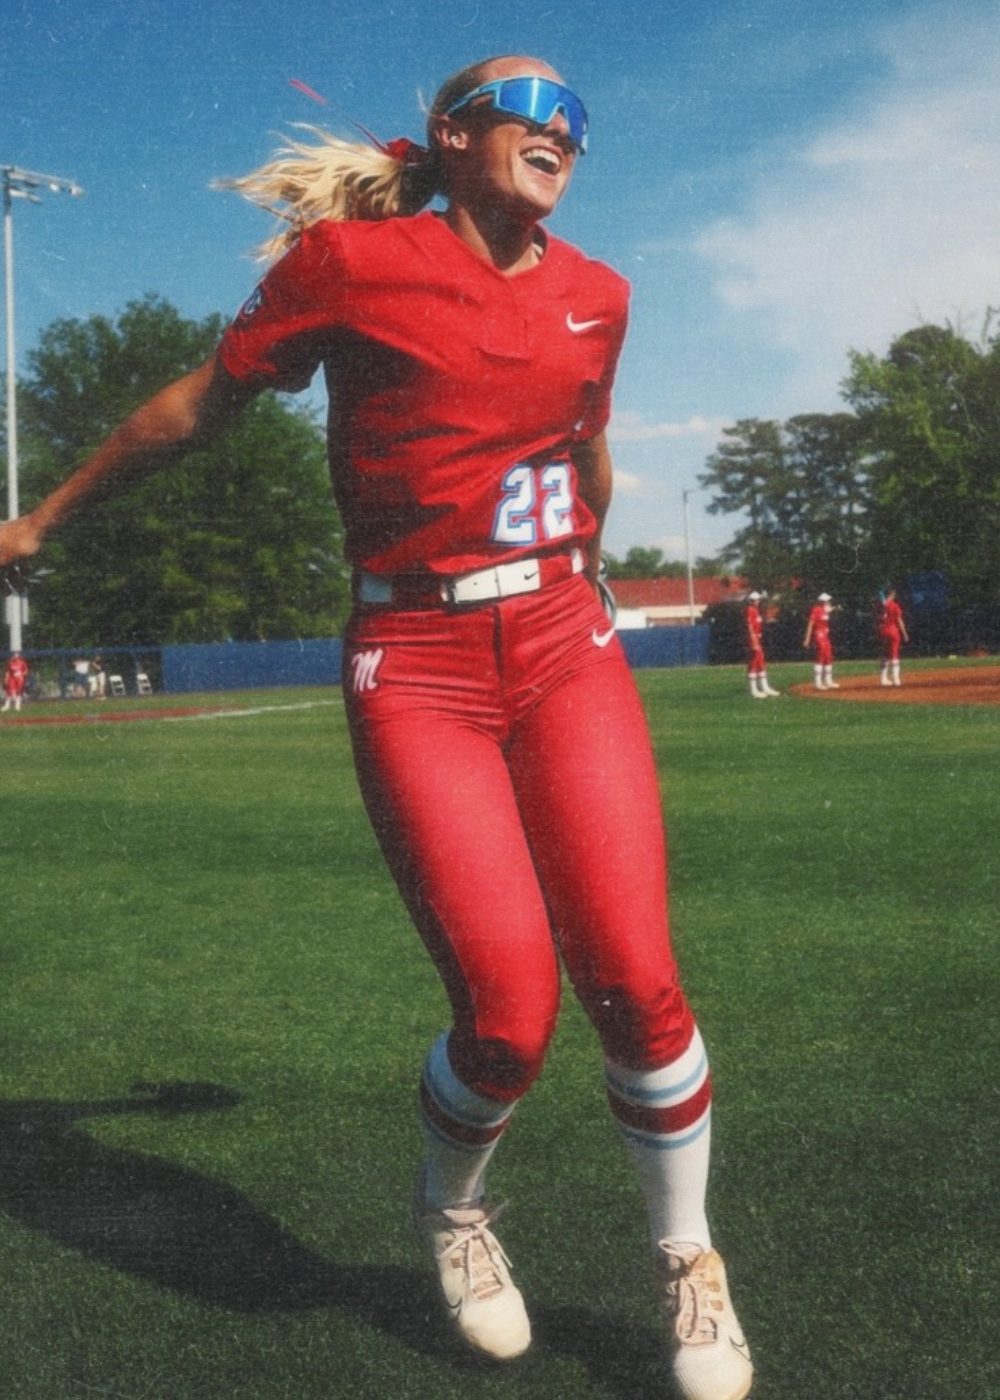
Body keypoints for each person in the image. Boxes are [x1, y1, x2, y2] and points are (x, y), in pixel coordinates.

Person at [0, 56, 752, 1400]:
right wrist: (41, 521)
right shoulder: (350, 265)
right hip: (417, 659)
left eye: (580, 124)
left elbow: (586, 444)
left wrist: (590, 508)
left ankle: (688, 1258)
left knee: (639, 980)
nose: (563, 133)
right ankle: (454, 1212)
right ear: (454, 135)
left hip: (567, 643)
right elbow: (195, 407)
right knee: (509, 1018)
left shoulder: (602, 297)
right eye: (533, 107)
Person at [744, 590, 779, 698]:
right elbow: (750, 627)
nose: (758, 601)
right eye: (757, 600)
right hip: (753, 639)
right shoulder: (750, 610)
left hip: (757, 638)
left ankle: (764, 687)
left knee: (760, 662)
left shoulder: (756, 611)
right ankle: (754, 690)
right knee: (754, 662)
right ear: (752, 601)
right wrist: (754, 641)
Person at [804, 591, 838, 689]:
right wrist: (807, 638)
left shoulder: (825, 610)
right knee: (820, 656)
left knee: (828, 656)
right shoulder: (816, 610)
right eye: (827, 601)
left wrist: (829, 609)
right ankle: (818, 682)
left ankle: (828, 680)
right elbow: (810, 624)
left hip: (825, 635)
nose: (828, 602)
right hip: (819, 634)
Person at [877, 588, 908, 686]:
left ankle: (883, 679)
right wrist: (904, 633)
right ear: (893, 594)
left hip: (882, 631)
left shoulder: (880, 606)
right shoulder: (894, 606)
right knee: (894, 654)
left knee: (885, 655)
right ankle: (896, 679)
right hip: (892, 630)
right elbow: (899, 620)